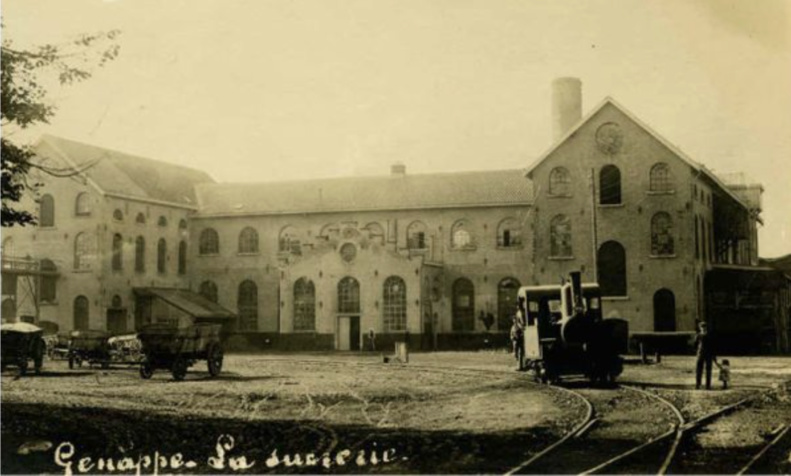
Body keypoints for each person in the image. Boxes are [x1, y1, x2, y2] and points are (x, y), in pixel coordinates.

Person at [694, 321, 715, 390]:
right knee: (699, 370)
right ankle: (698, 384)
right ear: (700, 328)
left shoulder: (710, 336)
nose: (703, 328)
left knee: (708, 370)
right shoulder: (698, 336)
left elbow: (713, 346)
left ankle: (708, 385)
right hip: (700, 354)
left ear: (706, 328)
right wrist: (697, 352)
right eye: (702, 327)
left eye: (704, 327)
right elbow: (695, 345)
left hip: (708, 355)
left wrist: (713, 355)